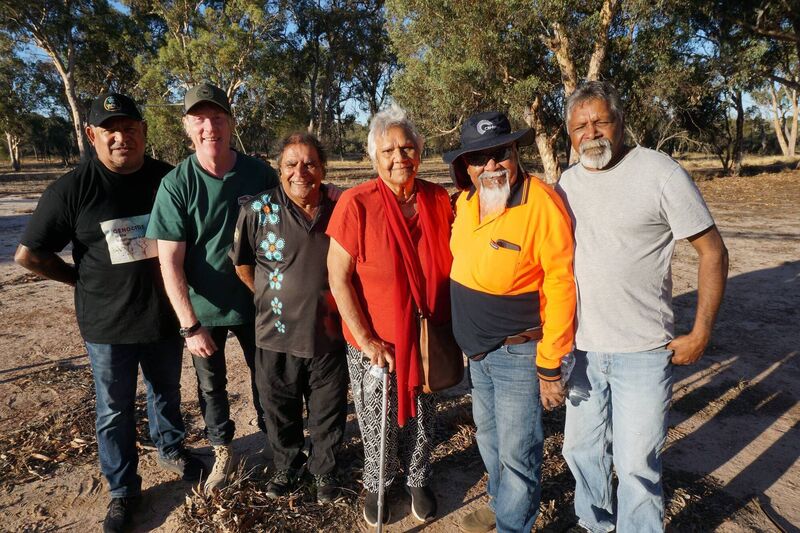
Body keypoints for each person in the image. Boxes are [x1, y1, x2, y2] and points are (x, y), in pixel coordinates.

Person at [15, 93, 203, 533]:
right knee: (114, 409)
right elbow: (29, 255)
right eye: (111, 130)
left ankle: (171, 449)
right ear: (92, 134)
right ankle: (123, 491)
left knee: (166, 391)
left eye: (131, 128)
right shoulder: (72, 189)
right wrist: (77, 279)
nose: (123, 137)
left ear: (144, 131)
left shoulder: (167, 179)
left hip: (162, 316)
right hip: (107, 324)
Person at [556, 81, 729, 533]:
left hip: (644, 352)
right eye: (580, 126)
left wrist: (701, 332)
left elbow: (713, 251)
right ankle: (595, 525)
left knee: (636, 465)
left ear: (621, 122)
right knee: (581, 452)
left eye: (601, 121)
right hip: (582, 353)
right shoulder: (565, 185)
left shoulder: (660, 173)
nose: (591, 133)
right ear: (569, 134)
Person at [443, 112, 576, 533]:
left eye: (500, 153)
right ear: (465, 165)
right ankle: (503, 505)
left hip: (518, 349)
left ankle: (512, 525)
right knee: (489, 439)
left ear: (515, 153)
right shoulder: (464, 203)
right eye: (479, 158)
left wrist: (551, 362)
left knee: (519, 451)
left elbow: (561, 282)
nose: (491, 165)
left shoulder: (541, 203)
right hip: (477, 352)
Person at [146, 82, 278, 491]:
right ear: (187, 126)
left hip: (260, 304)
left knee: (269, 378)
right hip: (205, 311)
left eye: (217, 118)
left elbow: (283, 236)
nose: (209, 127)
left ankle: (278, 445)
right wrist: (189, 325)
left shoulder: (259, 174)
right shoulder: (177, 184)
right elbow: (169, 261)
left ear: (231, 123)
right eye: (200, 119)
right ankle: (224, 450)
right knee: (211, 387)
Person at [327, 105, 453, 526]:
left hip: (425, 334)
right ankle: (377, 482)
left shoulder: (438, 200)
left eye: (407, 147)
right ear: (374, 157)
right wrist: (365, 339)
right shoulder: (355, 203)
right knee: (375, 419)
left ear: (419, 151)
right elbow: (339, 278)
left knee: (424, 411)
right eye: (389, 150)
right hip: (374, 341)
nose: (400, 157)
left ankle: (418, 476)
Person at [229, 132, 348, 503]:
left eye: (310, 163)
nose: (301, 172)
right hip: (274, 334)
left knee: (328, 410)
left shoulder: (342, 206)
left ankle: (324, 470)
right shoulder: (257, 210)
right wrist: (270, 297)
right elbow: (242, 263)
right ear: (279, 170)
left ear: (322, 167)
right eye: (291, 164)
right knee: (279, 408)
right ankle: (288, 465)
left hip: (329, 333)